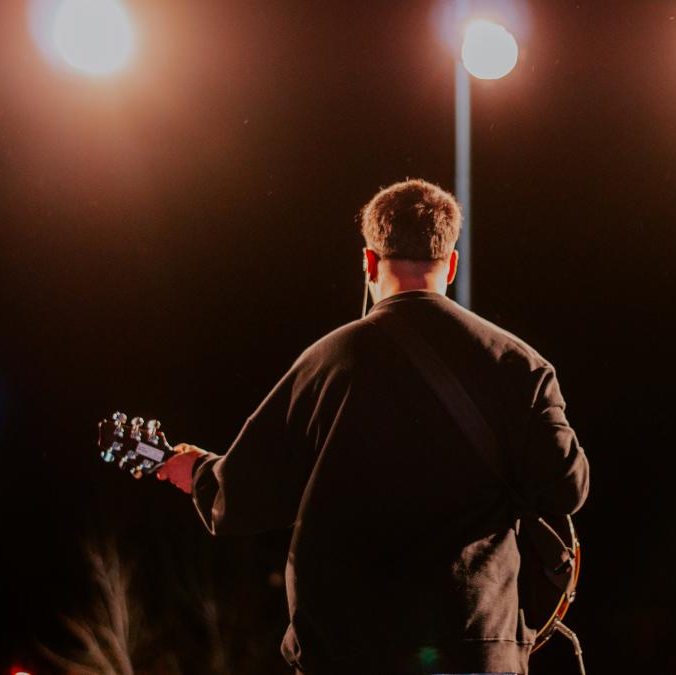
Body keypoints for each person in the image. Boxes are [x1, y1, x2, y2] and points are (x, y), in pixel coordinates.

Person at [157, 178, 589, 675]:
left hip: (348, 652)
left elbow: (243, 497)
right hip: (475, 647)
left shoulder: (325, 363)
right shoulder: (520, 366)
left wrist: (195, 471)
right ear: (450, 263)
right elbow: (567, 489)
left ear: (368, 261)